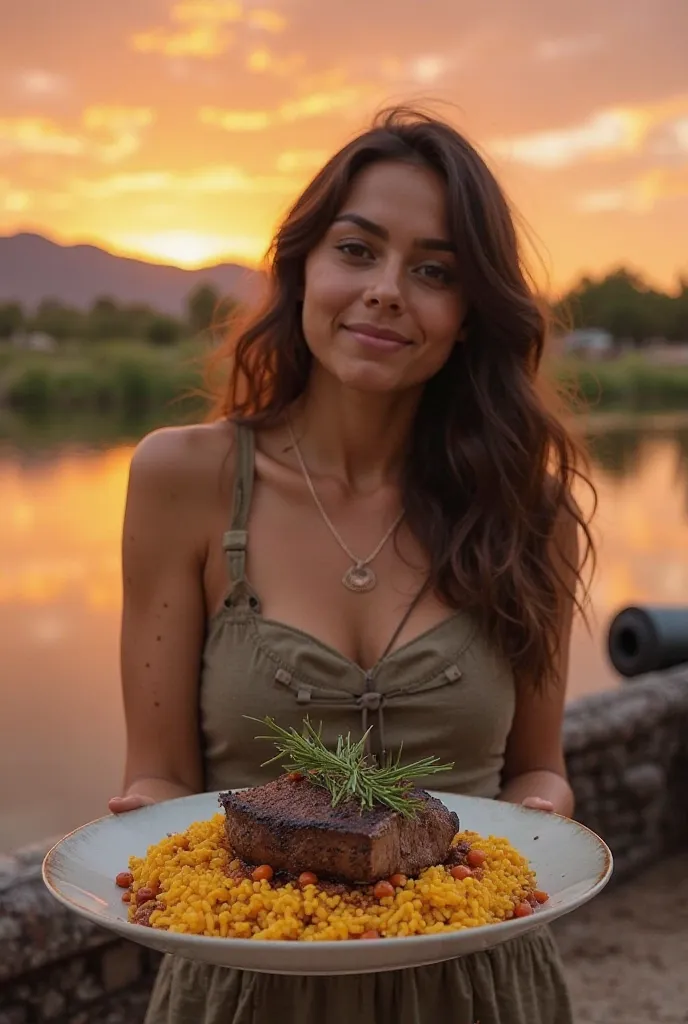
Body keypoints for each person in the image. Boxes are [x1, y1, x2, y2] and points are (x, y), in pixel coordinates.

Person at [109, 106, 594, 1024]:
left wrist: (543, 816)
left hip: (478, 985)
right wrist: (145, 811)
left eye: (434, 271)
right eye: (357, 250)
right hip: (251, 979)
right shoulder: (184, 479)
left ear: (470, 315)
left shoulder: (528, 512)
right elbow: (164, 776)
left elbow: (537, 768)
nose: (386, 291)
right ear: (302, 271)